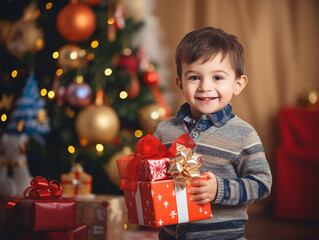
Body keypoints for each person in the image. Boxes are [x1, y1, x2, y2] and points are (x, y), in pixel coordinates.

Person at [153, 26, 272, 240]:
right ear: (180, 83)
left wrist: (220, 189)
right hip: (171, 235)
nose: (205, 87)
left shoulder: (243, 134)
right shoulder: (165, 130)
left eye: (217, 77)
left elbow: (262, 184)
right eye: (194, 78)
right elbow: (153, 174)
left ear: (238, 84)